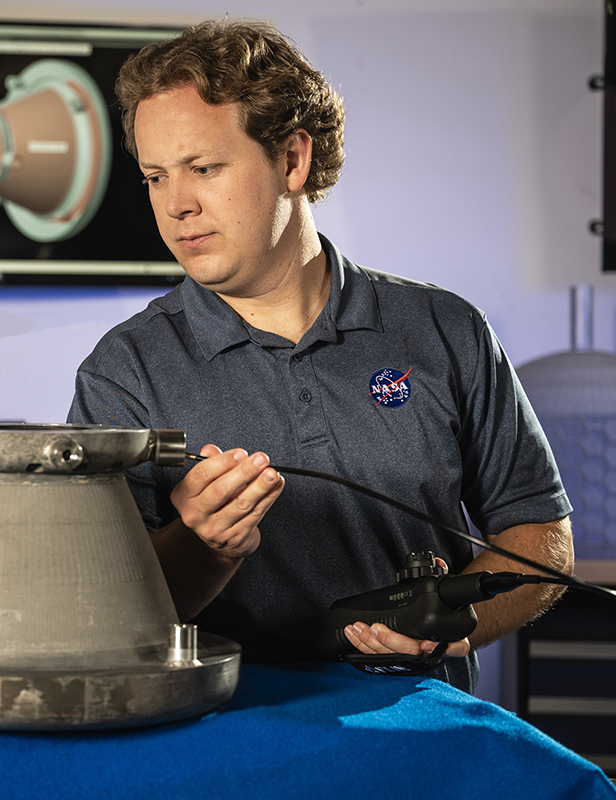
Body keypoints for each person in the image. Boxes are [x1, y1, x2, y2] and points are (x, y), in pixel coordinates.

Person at [67, 19, 574, 693]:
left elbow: (540, 532)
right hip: (219, 730)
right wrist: (203, 545)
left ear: (293, 160)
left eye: (204, 168)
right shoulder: (123, 370)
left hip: (422, 724)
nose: (176, 205)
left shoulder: (444, 329)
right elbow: (94, 613)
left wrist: (453, 622)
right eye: (156, 177)